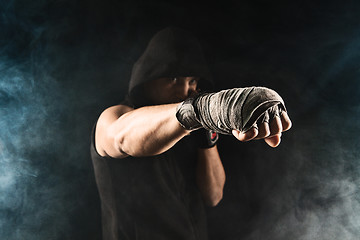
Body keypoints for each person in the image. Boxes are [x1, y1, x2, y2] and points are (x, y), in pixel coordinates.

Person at [90, 27, 292, 240]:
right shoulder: (113, 117)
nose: (184, 90)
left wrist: (206, 132)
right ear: (147, 77)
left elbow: (213, 195)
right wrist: (203, 109)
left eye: (192, 81)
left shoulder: (190, 126)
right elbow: (122, 136)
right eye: (175, 78)